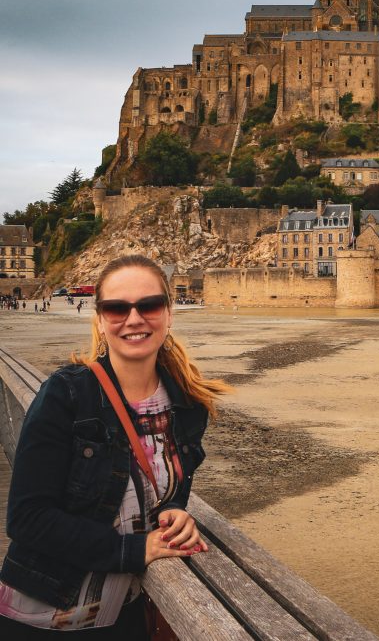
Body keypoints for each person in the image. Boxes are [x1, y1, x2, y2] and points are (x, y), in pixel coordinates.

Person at [0, 255, 230, 638]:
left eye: (149, 305)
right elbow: (27, 519)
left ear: (169, 314)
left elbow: (168, 490)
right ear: (101, 319)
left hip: (124, 616)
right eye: (117, 307)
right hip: (41, 618)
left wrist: (175, 512)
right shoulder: (68, 394)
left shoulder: (189, 406)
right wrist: (134, 552)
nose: (134, 318)